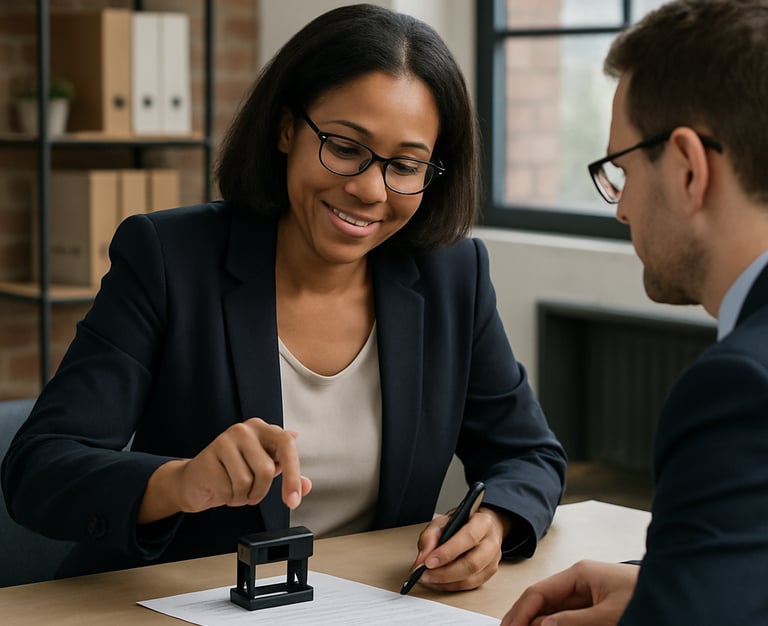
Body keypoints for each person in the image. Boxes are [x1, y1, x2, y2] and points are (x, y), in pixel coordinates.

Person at [2, 4, 566, 590]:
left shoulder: (453, 277)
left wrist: (495, 521)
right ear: (286, 129)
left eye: (405, 165)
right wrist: (178, 482)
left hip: (367, 607)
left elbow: (530, 455)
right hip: (171, 606)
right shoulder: (169, 259)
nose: (370, 189)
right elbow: (38, 469)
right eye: (344, 147)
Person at [502, 0, 768, 624]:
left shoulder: (739, 388)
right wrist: (662, 584)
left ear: (687, 170)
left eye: (621, 170)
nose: (620, 209)